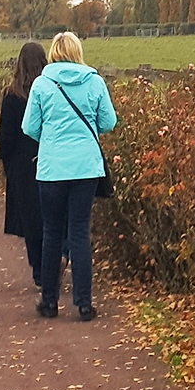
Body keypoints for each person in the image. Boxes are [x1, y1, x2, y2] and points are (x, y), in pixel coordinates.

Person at [23, 32, 116, 321]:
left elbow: (29, 127)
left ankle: (49, 301)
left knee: (51, 232)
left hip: (52, 168)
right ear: (77, 52)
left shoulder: (42, 84)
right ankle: (84, 303)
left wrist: (50, 139)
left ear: (53, 52)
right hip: (86, 167)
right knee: (79, 231)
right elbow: (108, 121)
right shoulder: (94, 81)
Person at [0, 42, 47, 288]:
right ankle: (56, 259)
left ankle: (39, 271)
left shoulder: (12, 95)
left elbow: (5, 135)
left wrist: (5, 161)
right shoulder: (50, 91)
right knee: (51, 214)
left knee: (30, 219)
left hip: (21, 162)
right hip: (48, 156)